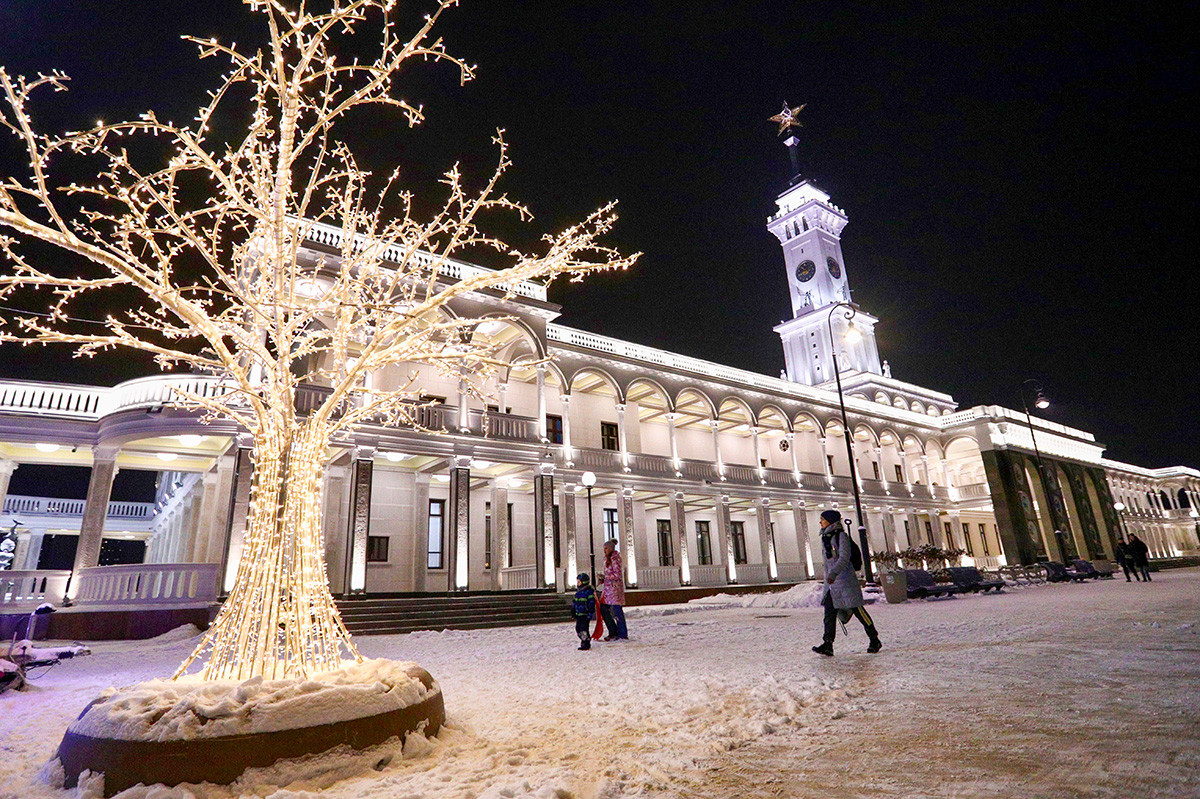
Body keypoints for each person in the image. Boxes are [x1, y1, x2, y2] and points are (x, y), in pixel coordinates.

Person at [812, 509, 880, 656]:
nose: (820, 522)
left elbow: (844, 557)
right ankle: (828, 644)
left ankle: (874, 639)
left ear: (831, 521)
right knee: (829, 613)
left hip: (845, 581)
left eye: (822, 519)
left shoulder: (841, 536)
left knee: (858, 610)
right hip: (832, 584)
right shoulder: (825, 537)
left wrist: (834, 573)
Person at [598, 538, 628, 640]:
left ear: (610, 548)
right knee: (603, 608)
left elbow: (617, 575)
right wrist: (603, 579)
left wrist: (606, 578)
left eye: (606, 548)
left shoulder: (615, 559)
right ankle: (613, 631)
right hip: (607, 589)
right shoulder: (606, 559)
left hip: (614, 589)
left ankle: (622, 633)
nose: (604, 550)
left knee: (617, 610)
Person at [571, 573, 596, 650]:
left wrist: (590, 612)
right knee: (578, 628)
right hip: (579, 614)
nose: (577, 584)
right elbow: (574, 603)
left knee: (584, 628)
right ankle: (585, 639)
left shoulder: (588, 593)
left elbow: (591, 603)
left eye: (579, 582)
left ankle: (585, 643)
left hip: (585, 614)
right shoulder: (578, 593)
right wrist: (573, 611)